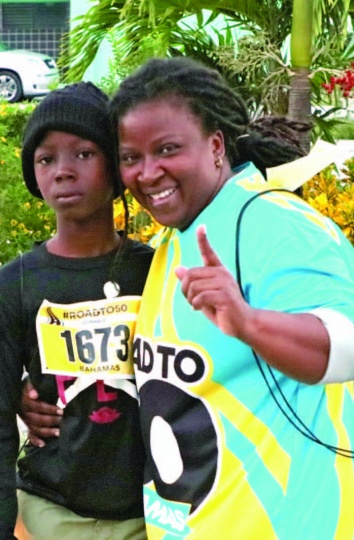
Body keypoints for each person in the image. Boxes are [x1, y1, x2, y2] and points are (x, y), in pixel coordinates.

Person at [20, 60, 354, 538]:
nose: (148, 172)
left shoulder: (273, 223)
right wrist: (39, 397)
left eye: (168, 149)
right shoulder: (174, 240)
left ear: (215, 145)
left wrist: (251, 324)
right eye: (131, 157)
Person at [0, 82, 153, 540]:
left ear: (116, 164)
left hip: (154, 512)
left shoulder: (158, 272)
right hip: (50, 511)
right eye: (46, 159)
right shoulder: (15, 284)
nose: (63, 172)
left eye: (84, 154)